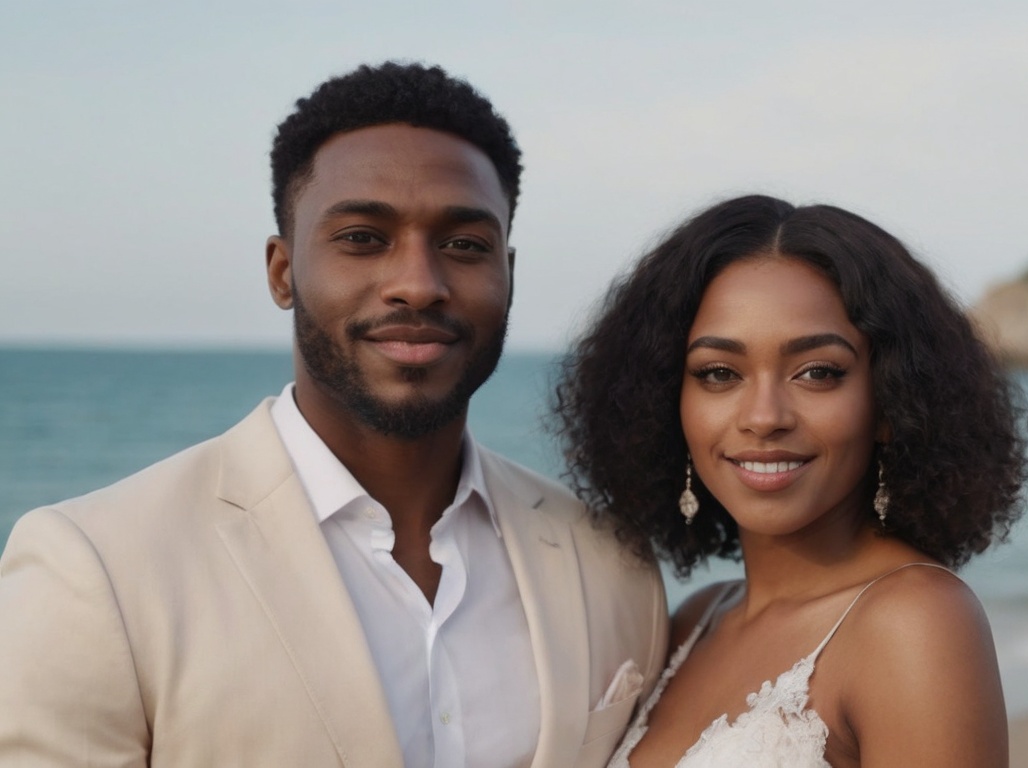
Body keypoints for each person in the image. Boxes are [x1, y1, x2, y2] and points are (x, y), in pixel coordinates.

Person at [0, 62, 667, 768]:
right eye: (362, 238)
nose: (418, 283)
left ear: (508, 273)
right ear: (282, 271)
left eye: (465, 246)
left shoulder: (611, 563)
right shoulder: (96, 568)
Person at [554, 195, 1028, 767]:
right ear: (668, 402)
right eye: (719, 373)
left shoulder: (916, 622)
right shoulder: (695, 621)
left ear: (890, 402)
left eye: (818, 373)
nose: (764, 416)